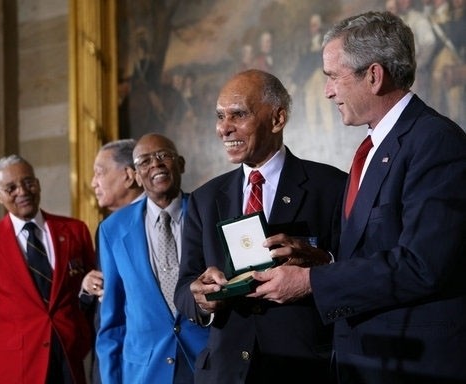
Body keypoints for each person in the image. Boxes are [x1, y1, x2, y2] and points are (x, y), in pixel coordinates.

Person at [249, 11, 466, 383]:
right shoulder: (375, 145)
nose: (327, 91)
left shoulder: (435, 141)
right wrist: (321, 261)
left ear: (374, 76)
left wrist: (312, 283)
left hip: (413, 365)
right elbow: (376, 251)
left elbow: (421, 265)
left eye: (333, 77)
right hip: (367, 360)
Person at [174, 69, 348, 383]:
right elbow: (185, 285)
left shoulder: (332, 186)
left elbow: (355, 272)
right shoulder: (204, 199)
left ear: (277, 118)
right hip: (225, 372)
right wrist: (201, 297)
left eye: (238, 115)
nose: (224, 129)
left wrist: (318, 263)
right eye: (220, 116)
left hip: (304, 370)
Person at [0, 154, 96, 384]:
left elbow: (91, 297)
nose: (22, 192)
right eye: (11, 188)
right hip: (18, 369)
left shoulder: (75, 230)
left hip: (71, 361)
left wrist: (82, 339)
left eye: (28, 183)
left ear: (38, 183)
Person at [96, 133, 209, 383]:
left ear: (180, 164)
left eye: (163, 156)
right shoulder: (112, 230)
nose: (155, 164)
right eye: (144, 161)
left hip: (206, 362)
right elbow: (112, 320)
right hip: (144, 371)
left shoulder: (209, 212)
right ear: (135, 175)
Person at [79, 138, 145, 384]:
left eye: (100, 173)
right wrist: (88, 287)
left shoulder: (162, 218)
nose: (93, 183)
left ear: (128, 175)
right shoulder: (106, 228)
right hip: (111, 358)